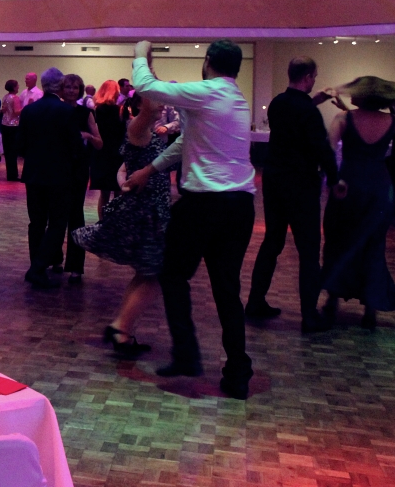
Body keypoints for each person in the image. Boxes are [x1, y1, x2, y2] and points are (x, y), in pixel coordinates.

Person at [123, 39, 256, 400]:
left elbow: (146, 86)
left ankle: (186, 353)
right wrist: (150, 169)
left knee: (172, 274)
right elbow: (187, 143)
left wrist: (140, 53)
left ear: (208, 61)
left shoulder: (208, 92)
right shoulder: (234, 98)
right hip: (240, 205)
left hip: (205, 204)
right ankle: (238, 372)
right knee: (226, 289)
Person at [247, 57, 341, 332]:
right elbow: (321, 147)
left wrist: (314, 101)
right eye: (314, 77)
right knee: (308, 250)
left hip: (275, 180)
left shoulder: (277, 103)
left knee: (272, 242)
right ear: (308, 76)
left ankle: (255, 302)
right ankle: (309, 316)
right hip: (301, 184)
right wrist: (334, 179)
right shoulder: (309, 112)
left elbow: (294, 117)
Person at [74, 93, 169, 357]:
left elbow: (123, 168)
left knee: (146, 274)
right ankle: (120, 328)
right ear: (139, 104)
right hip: (145, 213)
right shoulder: (137, 127)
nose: (163, 104)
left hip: (153, 211)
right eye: (156, 99)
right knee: (154, 275)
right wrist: (147, 73)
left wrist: (124, 183)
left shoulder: (149, 132)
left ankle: (124, 332)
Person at [320, 76, 395, 331]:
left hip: (349, 186)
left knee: (339, 241)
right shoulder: (393, 121)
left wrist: (332, 181)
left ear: (361, 95)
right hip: (379, 187)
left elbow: (328, 149)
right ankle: (370, 309)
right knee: (373, 246)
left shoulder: (343, 120)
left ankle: (332, 300)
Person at [18, 67, 84, 289]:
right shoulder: (67, 111)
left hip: (34, 174)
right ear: (60, 86)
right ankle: (37, 268)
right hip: (60, 176)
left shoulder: (29, 110)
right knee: (57, 223)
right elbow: (76, 147)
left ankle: (37, 266)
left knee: (36, 222)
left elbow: (20, 145)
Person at [59, 73, 102, 282]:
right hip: (58, 167)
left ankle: (76, 266)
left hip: (78, 168)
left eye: (75, 87)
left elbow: (100, 143)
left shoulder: (86, 113)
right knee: (57, 214)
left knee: (76, 215)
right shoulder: (57, 110)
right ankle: (55, 258)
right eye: (68, 87)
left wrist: (88, 136)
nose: (71, 91)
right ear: (61, 89)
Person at [91, 80, 126, 221]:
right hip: (117, 153)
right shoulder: (120, 111)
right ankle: (115, 222)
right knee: (118, 192)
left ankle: (102, 222)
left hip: (102, 153)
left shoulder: (97, 110)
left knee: (104, 193)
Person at [0, 79, 23, 181]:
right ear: (14, 87)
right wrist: (27, 106)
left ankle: (10, 174)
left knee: (7, 151)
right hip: (13, 125)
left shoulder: (5, 97)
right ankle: (13, 175)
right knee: (13, 151)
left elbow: (4, 110)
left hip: (4, 124)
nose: (18, 87)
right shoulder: (15, 97)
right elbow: (17, 112)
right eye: (17, 85)